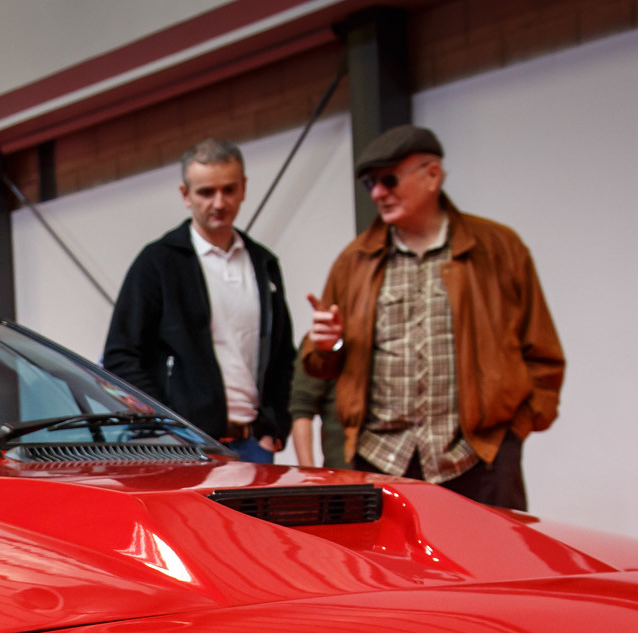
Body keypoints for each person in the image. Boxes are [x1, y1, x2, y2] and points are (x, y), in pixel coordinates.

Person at [303, 125, 563, 508]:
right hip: (380, 460)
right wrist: (329, 344)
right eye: (370, 184)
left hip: (479, 459)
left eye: (388, 180)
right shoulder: (354, 261)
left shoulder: (499, 250)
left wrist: (514, 432)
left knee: (490, 567)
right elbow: (321, 362)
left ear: (432, 175)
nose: (378, 193)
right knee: (384, 570)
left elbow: (542, 351)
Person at [103, 138, 294, 462]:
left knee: (252, 517)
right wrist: (169, 428)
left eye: (229, 190)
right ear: (185, 195)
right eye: (206, 192)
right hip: (184, 450)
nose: (219, 202)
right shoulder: (158, 262)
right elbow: (120, 356)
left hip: (254, 446)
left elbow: (283, 357)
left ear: (244, 188)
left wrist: (275, 430)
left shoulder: (264, 263)